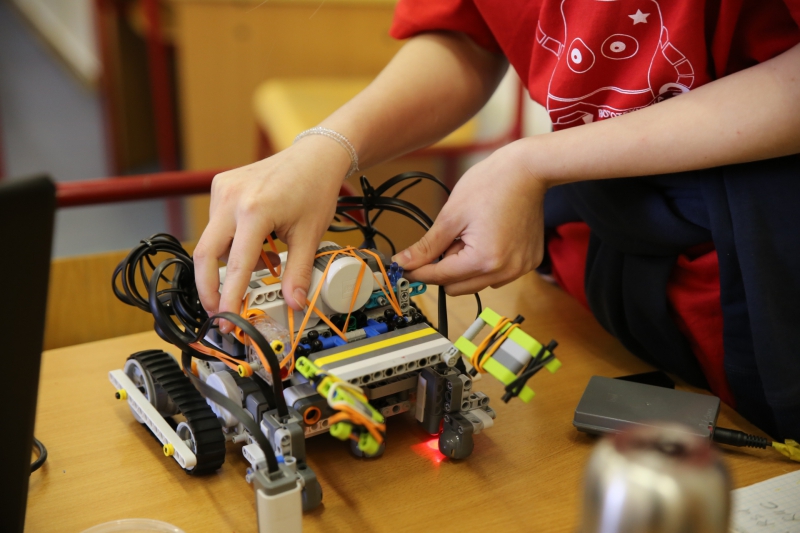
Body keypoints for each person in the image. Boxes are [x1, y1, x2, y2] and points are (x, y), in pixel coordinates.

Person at [193, 1, 800, 439]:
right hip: (596, 258)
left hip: (766, 273)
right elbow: (469, 35)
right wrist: (328, 146)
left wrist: (536, 162)